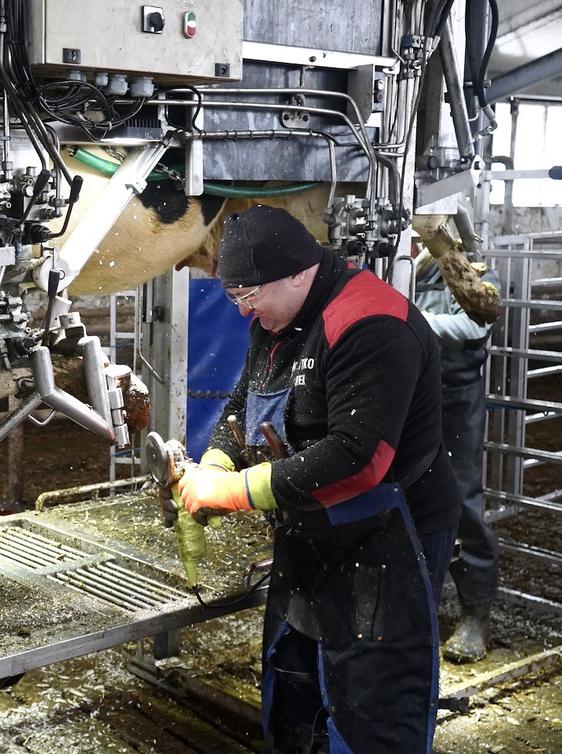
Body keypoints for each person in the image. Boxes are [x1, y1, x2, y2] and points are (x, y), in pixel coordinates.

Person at [176, 205, 461, 753]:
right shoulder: (274, 317)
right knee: (295, 678)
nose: (243, 312)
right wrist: (215, 462)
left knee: (372, 700)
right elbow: (244, 402)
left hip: (386, 533)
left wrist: (235, 492)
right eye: (234, 298)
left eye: (248, 295)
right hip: (312, 525)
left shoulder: (371, 322)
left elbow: (359, 457)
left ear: (298, 273)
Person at [414, 243, 502, 663]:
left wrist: (410, 320)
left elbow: (475, 326)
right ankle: (416, 609)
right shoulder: (400, 262)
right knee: (406, 498)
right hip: (410, 393)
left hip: (456, 398)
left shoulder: (470, 265)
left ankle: (474, 614)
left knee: (462, 501)